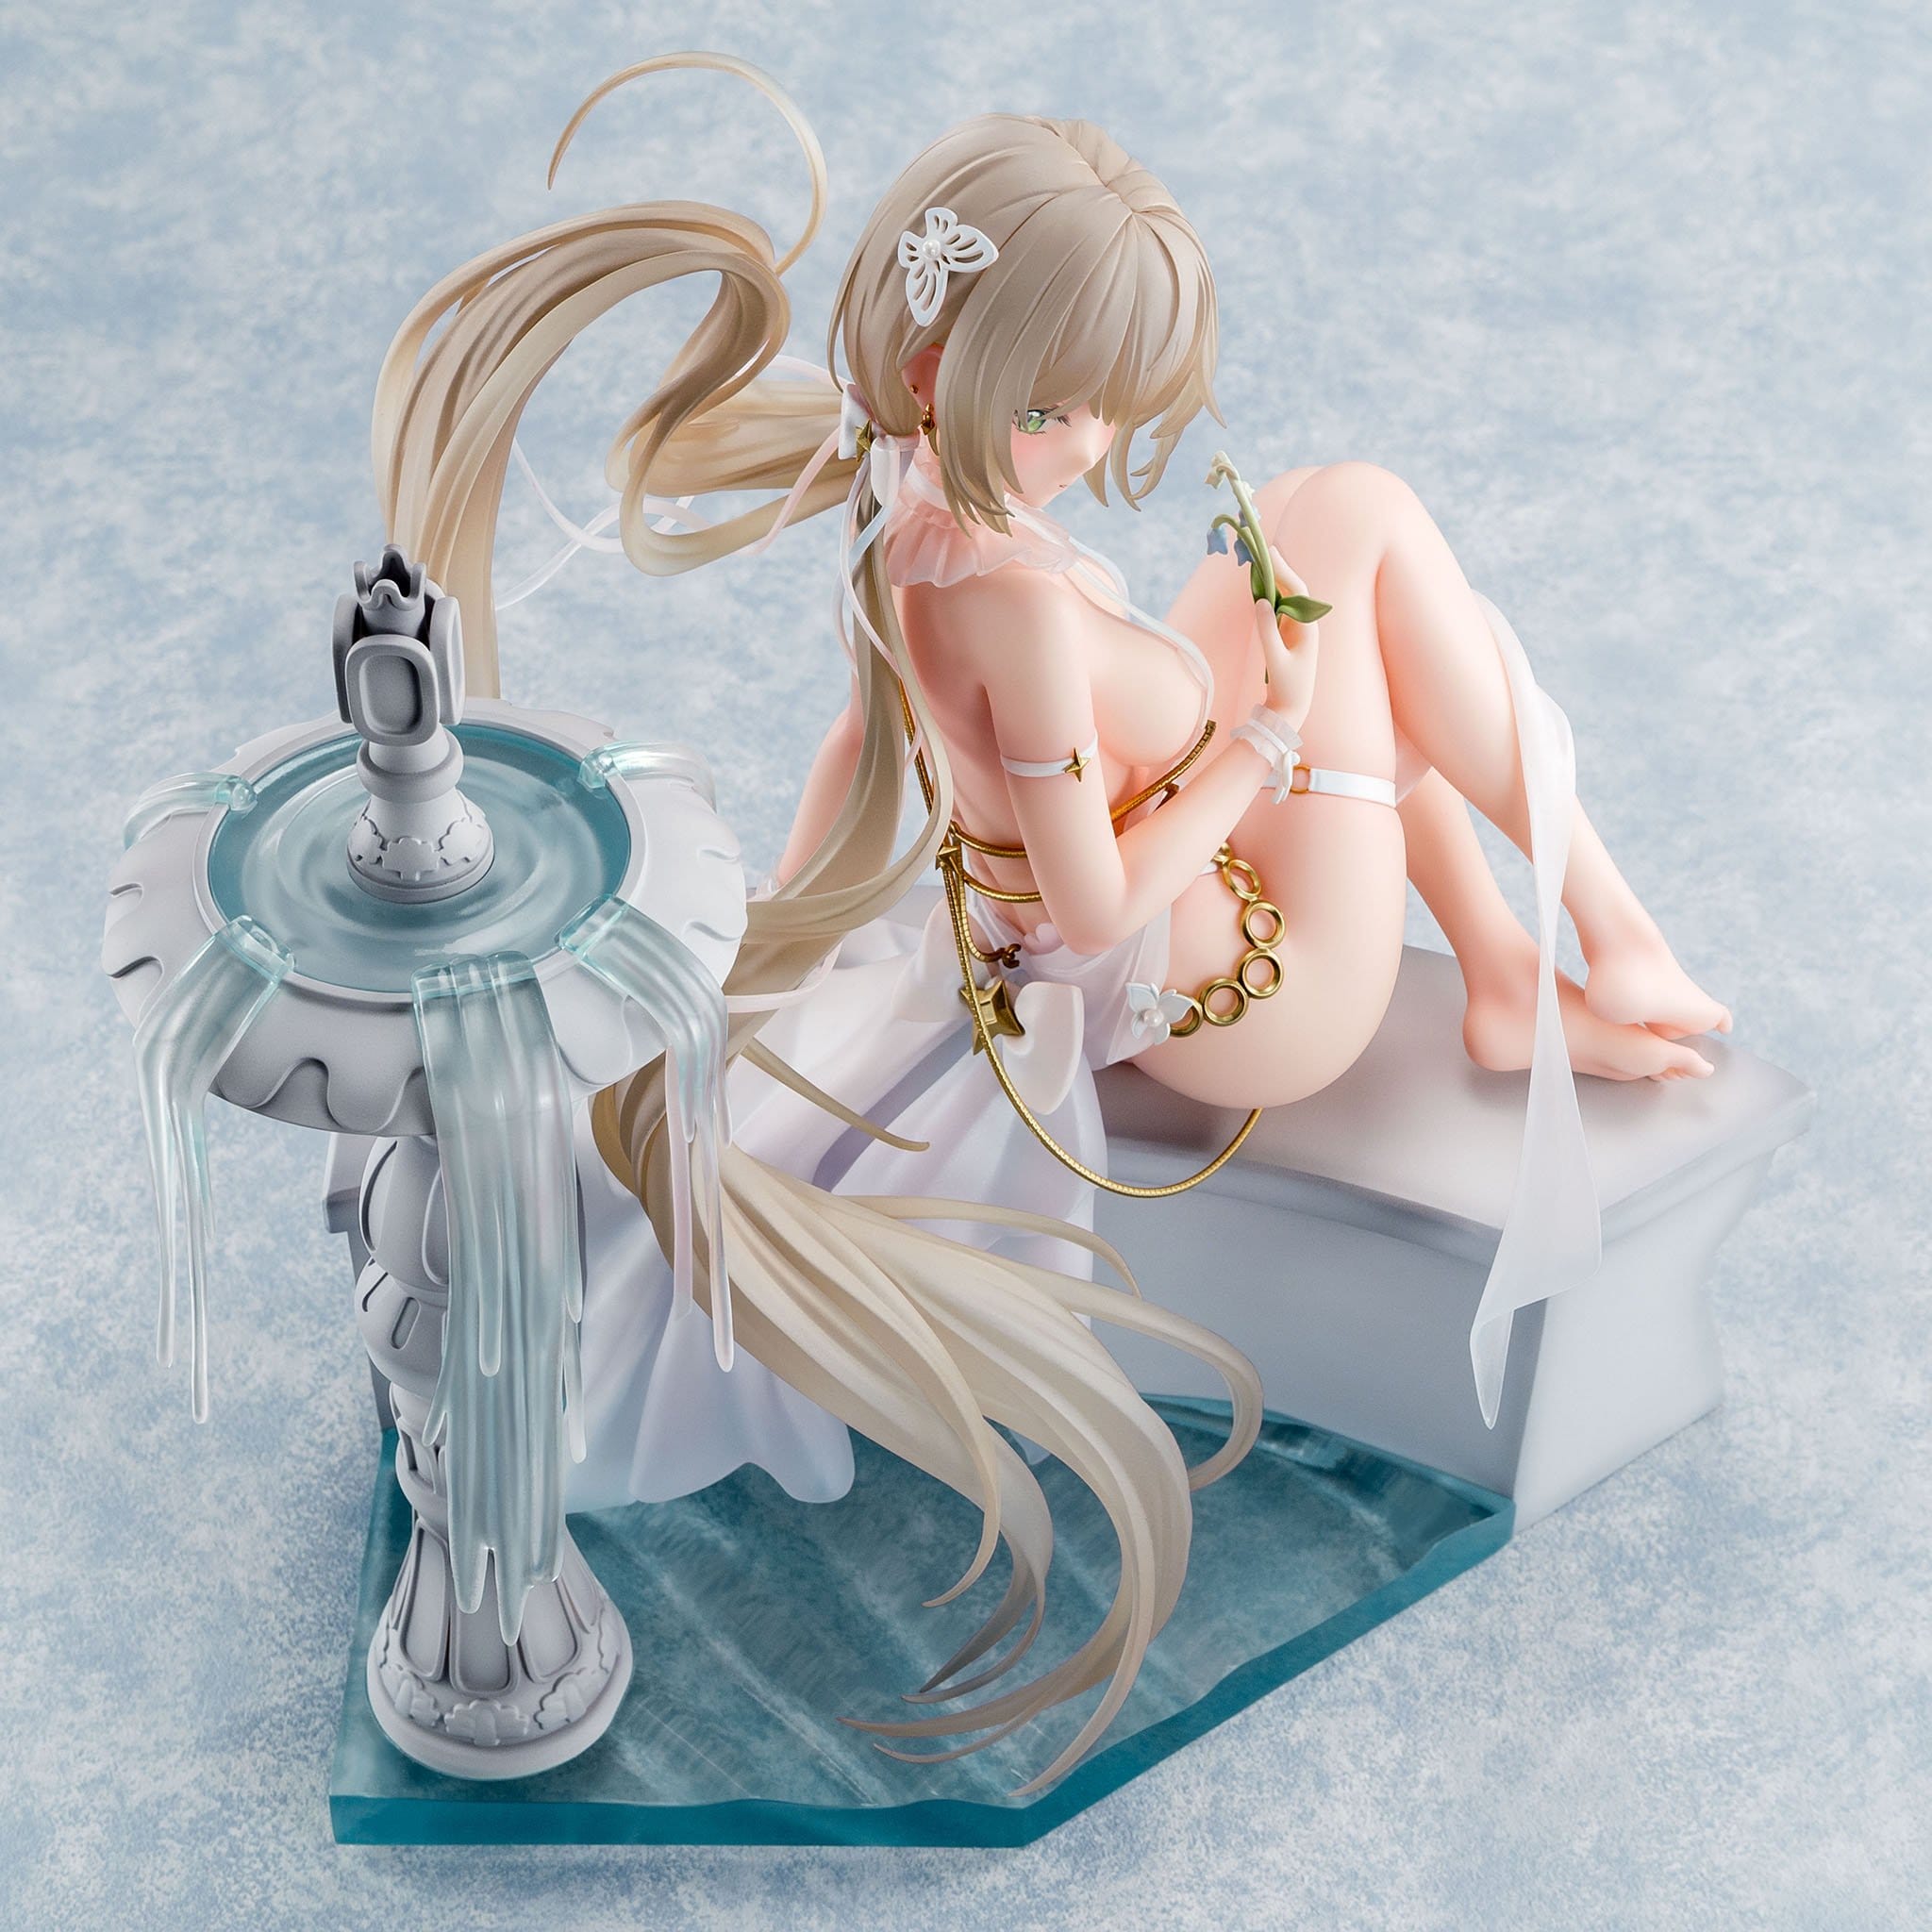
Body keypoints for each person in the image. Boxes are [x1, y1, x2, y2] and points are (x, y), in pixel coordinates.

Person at [367, 49, 1728, 1788]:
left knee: (1338, 524)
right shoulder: (1007, 597)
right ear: (953, 367)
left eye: (1105, 410)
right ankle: (1581, 938)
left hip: (1167, 874)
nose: (1092, 447)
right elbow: (1094, 904)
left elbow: (858, 738)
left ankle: (1538, 961)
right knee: (1371, 567)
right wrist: (1260, 748)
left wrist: (783, 926)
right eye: (1065, 408)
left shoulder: (907, 498)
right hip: (1259, 989)